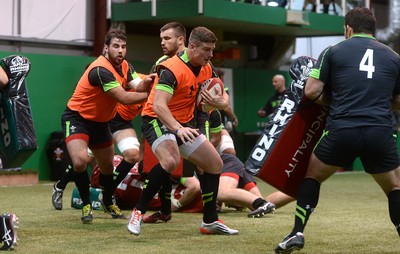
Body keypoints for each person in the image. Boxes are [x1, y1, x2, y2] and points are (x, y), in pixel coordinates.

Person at [275, 7, 400, 253]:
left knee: (312, 177)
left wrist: (338, 100)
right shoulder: (394, 57)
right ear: (373, 30)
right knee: (395, 187)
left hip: (342, 130)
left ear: (348, 28)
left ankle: (296, 232)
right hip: (379, 132)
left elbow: (311, 92)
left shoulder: (332, 51)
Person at [127, 26, 238, 236]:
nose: (211, 54)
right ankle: (138, 212)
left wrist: (220, 102)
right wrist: (178, 129)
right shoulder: (171, 68)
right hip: (156, 119)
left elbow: (224, 97)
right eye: (206, 49)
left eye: (212, 50)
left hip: (184, 123)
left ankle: (210, 221)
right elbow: (159, 106)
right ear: (192, 46)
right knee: (170, 160)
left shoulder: (207, 67)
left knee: (215, 164)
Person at [61, 29, 151, 224]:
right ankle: (86, 205)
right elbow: (124, 97)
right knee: (80, 161)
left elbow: (139, 86)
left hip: (101, 123)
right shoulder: (100, 70)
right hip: (78, 118)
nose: (120, 51)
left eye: (123, 47)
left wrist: (154, 81)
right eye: (116, 46)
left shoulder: (126, 66)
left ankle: (109, 202)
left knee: (108, 169)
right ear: (106, 48)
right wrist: (154, 96)